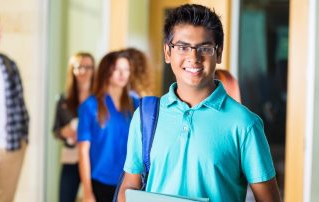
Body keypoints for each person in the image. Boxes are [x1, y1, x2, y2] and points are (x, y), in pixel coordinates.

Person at [119, 4, 281, 202]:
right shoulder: (146, 116)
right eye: (182, 47)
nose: (193, 57)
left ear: (218, 53)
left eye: (204, 48)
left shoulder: (245, 123)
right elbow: (130, 183)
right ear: (168, 53)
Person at [78, 50, 139, 202]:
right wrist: (87, 192)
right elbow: (83, 151)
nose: (122, 74)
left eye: (126, 69)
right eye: (117, 69)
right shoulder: (90, 106)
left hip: (129, 182)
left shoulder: (137, 104)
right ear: (106, 71)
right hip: (100, 182)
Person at [52, 52, 95, 202]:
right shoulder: (63, 100)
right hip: (70, 157)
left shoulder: (100, 99)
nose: (83, 71)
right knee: (65, 197)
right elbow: (55, 130)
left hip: (93, 156)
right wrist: (64, 132)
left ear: (94, 70)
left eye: (88, 67)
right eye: (79, 67)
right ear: (72, 70)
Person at [0, 17, 29, 202]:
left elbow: (20, 105)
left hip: (10, 146)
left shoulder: (9, 65)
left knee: (6, 198)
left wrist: (23, 139)